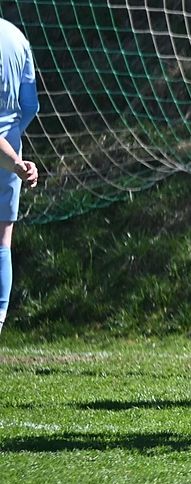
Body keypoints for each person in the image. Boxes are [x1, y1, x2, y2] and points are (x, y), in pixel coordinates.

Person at [0, 17, 40, 337]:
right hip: (10, 152)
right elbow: (29, 106)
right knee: (2, 241)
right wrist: (12, 143)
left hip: (8, 157)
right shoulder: (16, 37)